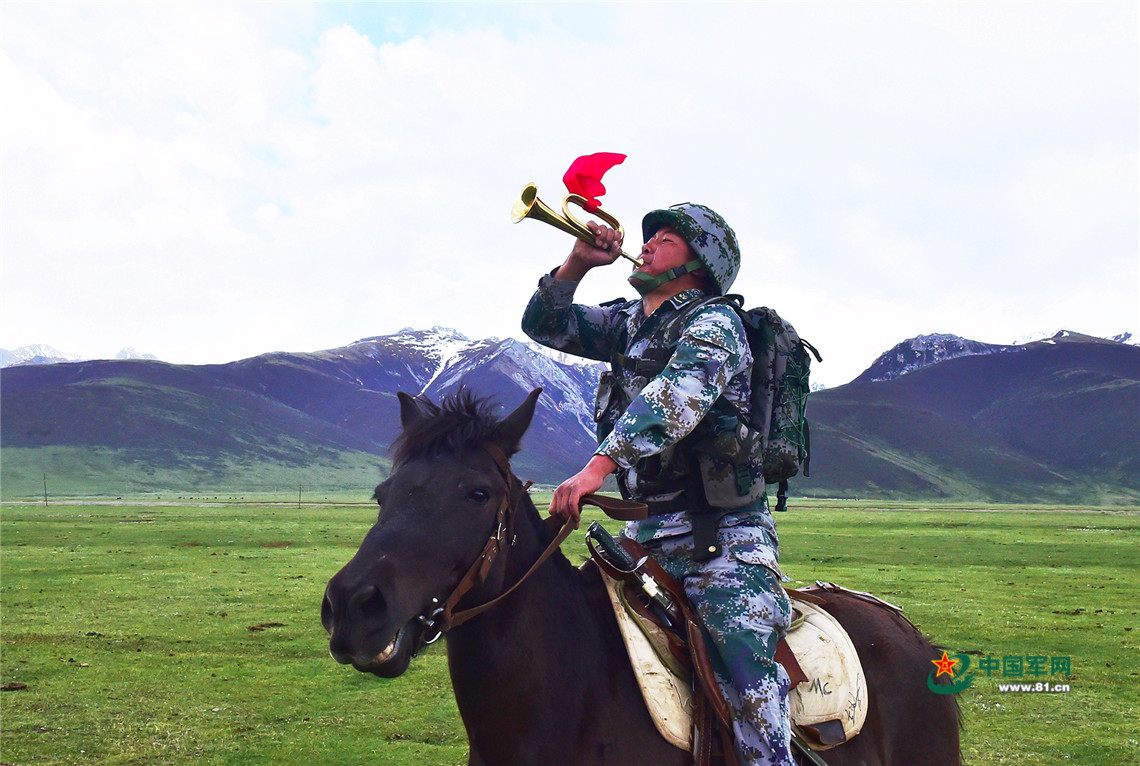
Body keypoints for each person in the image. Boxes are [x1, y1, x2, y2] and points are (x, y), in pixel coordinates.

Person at [521, 203, 795, 766]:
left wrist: (598, 466)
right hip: (646, 535)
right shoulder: (626, 323)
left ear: (700, 261)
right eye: (648, 239)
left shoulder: (715, 325)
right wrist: (577, 261)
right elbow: (543, 323)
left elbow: (675, 398)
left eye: (664, 239)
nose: (646, 246)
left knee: (745, 673)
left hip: (724, 538)